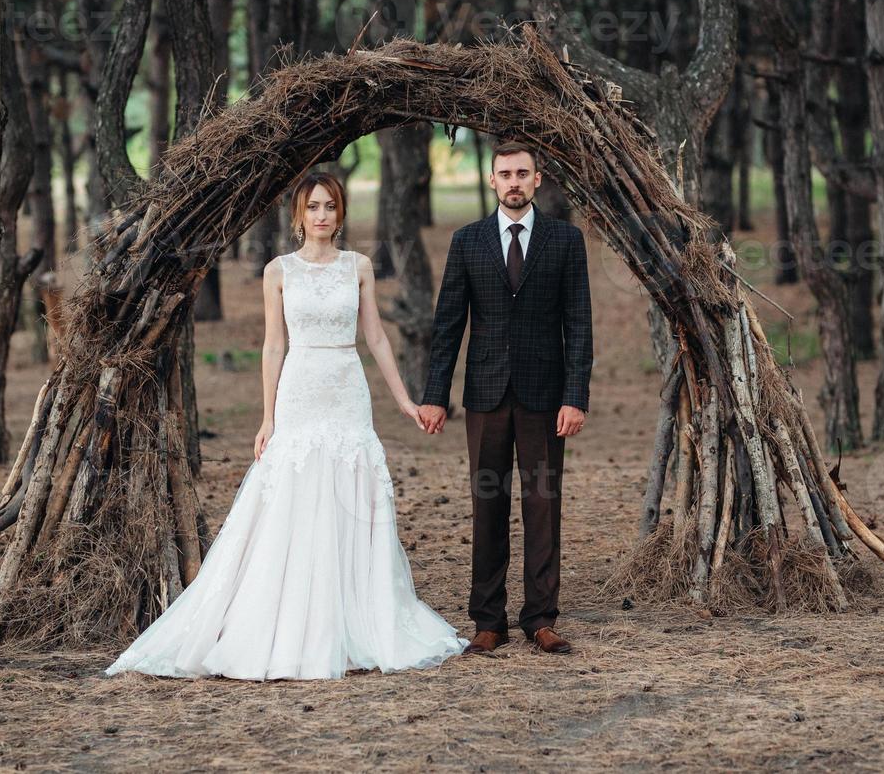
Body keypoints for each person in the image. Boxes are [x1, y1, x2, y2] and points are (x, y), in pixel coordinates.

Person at [104, 171, 469, 681]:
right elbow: (274, 345)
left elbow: (378, 341)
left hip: (345, 386)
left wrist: (406, 401)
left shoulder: (358, 267)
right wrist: (268, 416)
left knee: (349, 490)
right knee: (294, 493)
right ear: (299, 215)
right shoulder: (278, 272)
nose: (323, 216)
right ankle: (285, 617)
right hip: (300, 387)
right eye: (314, 207)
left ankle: (354, 614)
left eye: (331, 207)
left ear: (341, 214)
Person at [419, 141, 593, 656]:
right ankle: (487, 620)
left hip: (545, 396)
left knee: (543, 504)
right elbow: (448, 325)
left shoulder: (565, 241)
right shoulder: (467, 241)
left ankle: (541, 617)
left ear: (538, 180)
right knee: (487, 504)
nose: (514, 181)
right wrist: (435, 396)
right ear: (492, 181)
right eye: (504, 174)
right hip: (486, 395)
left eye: (523, 173)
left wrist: (575, 395)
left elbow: (578, 323)